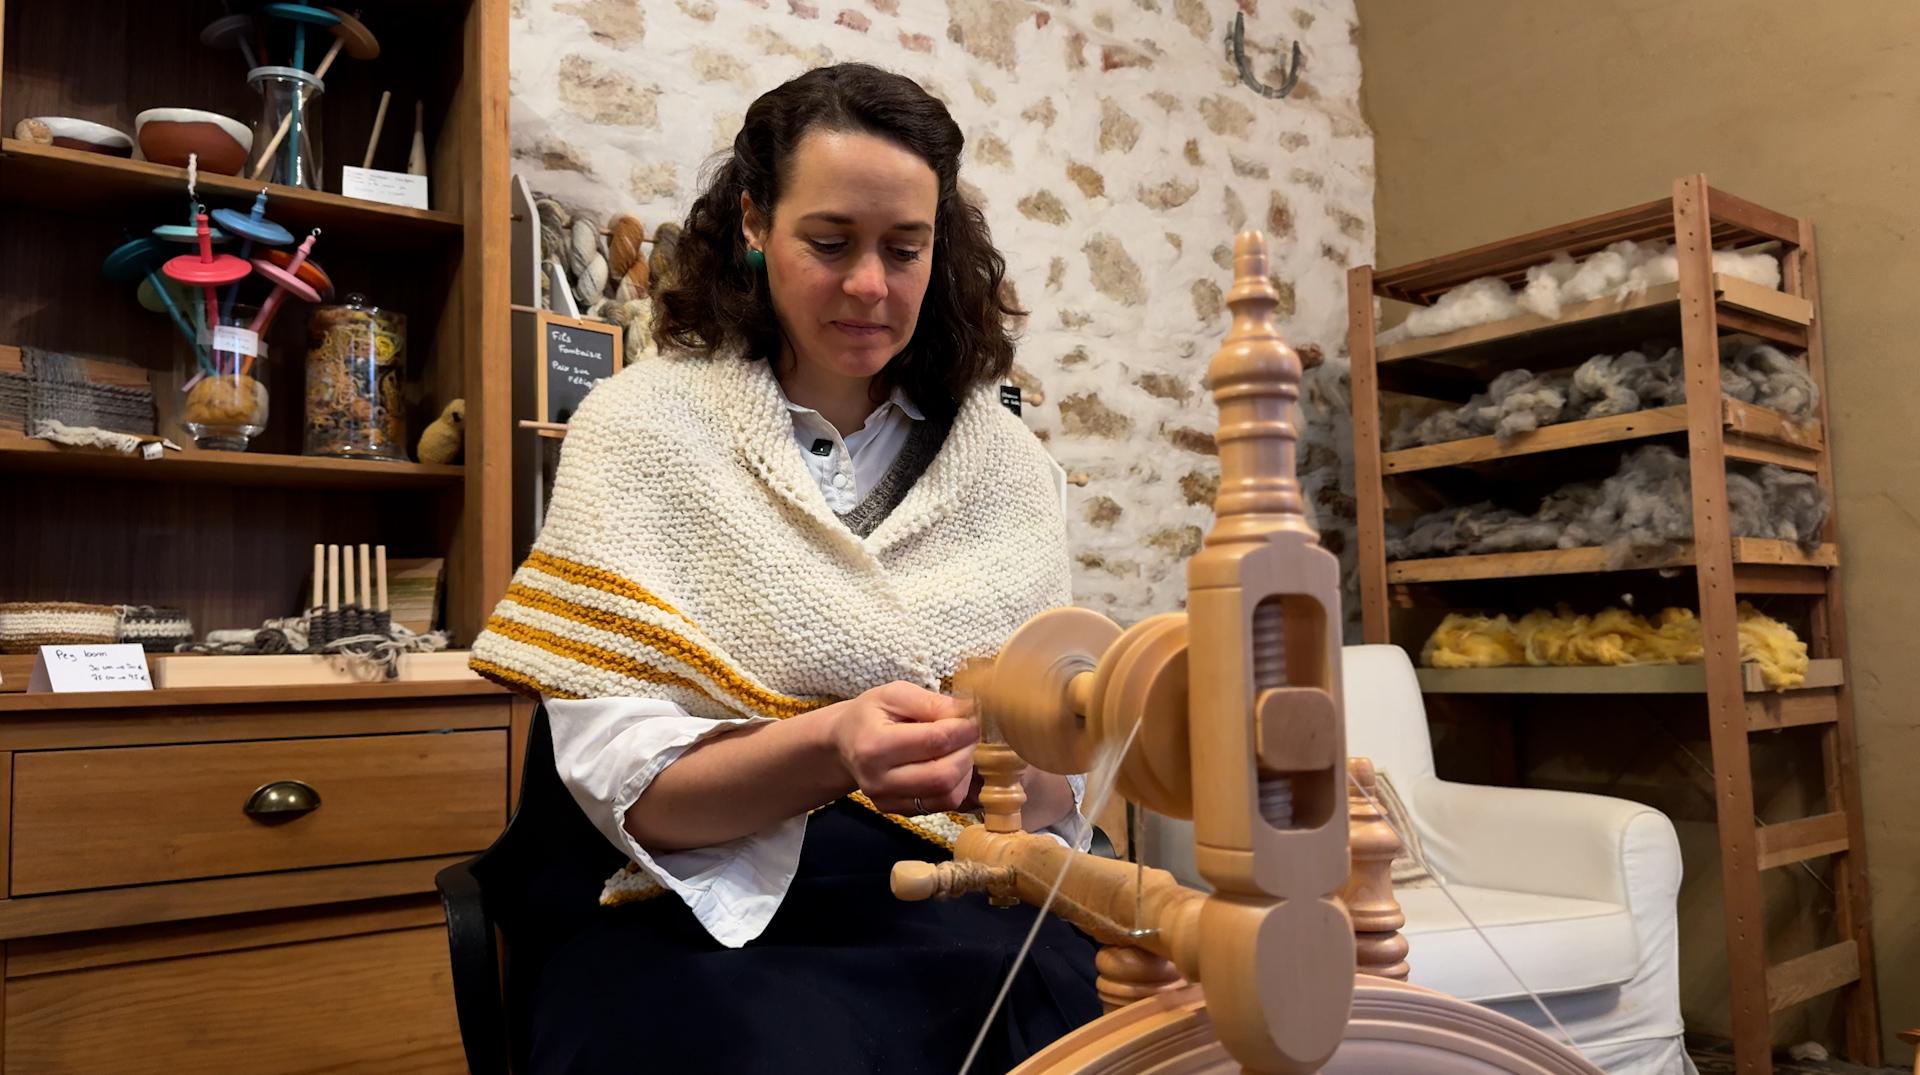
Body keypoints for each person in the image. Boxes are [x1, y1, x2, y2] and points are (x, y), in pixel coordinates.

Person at [470, 63, 1101, 1073]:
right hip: (685, 908)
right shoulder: (640, 431)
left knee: (1100, 1022)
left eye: (905, 249)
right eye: (830, 242)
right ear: (756, 225)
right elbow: (635, 791)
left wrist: (1031, 761)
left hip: (962, 891)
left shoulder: (1010, 468)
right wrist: (833, 747)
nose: (869, 286)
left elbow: (1051, 786)